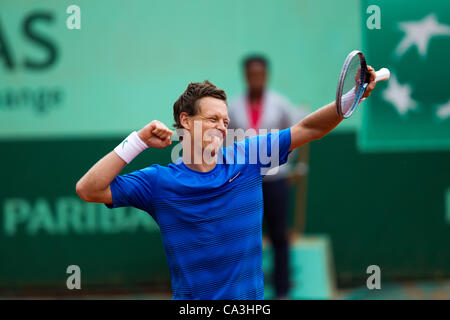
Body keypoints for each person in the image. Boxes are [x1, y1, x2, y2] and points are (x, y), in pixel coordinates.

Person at [76, 70, 378, 299]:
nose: (223, 126)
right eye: (212, 119)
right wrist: (138, 141)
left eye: (225, 119)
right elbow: (88, 189)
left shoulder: (249, 156)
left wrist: (356, 94)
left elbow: (309, 127)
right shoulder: (159, 182)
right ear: (186, 121)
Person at [228, 55, 308, 299]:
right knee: (242, 236)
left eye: (260, 74)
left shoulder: (281, 104)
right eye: (251, 74)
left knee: (279, 235)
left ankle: (282, 291)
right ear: (245, 76)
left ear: (266, 75)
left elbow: (294, 136)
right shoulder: (232, 106)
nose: (256, 79)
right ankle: (241, 291)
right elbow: (226, 141)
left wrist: (285, 165)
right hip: (243, 180)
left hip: (275, 179)